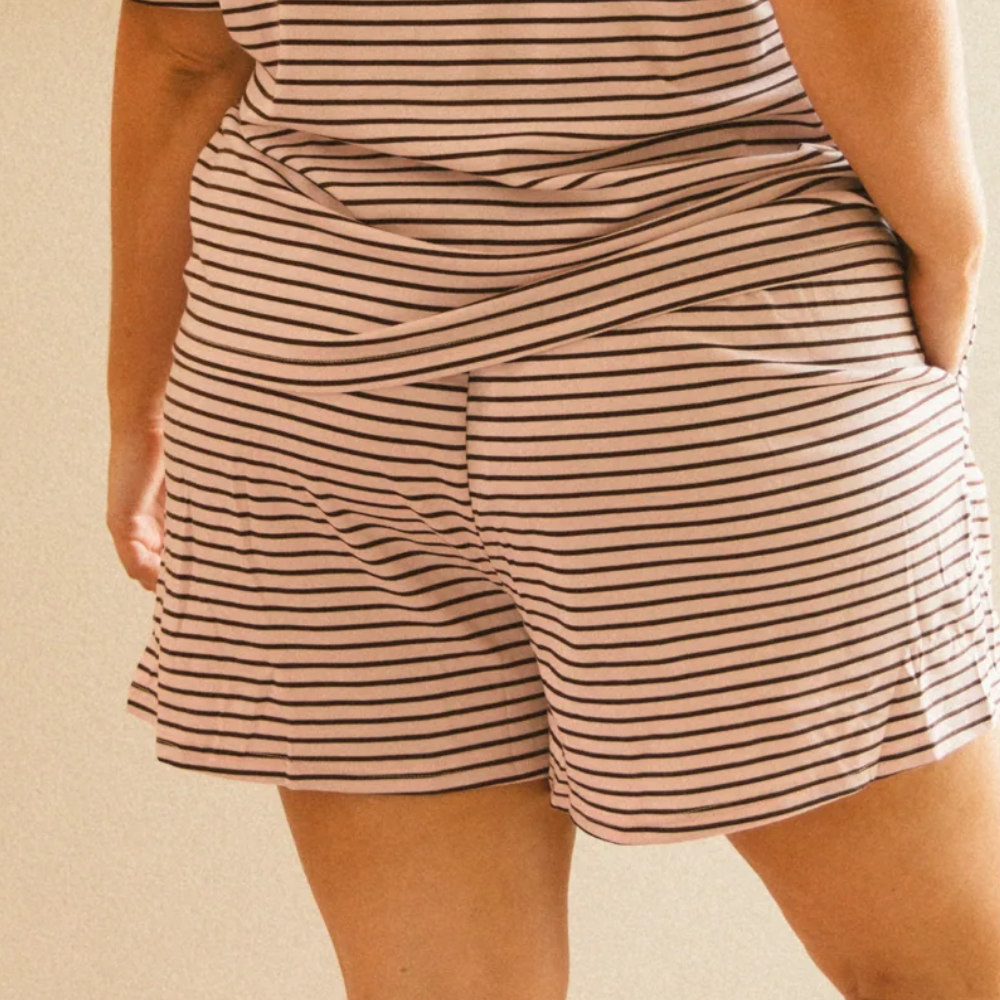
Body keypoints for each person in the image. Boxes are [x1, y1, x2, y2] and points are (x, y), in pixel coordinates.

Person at [107, 0, 1000, 997]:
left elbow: (182, 50)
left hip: (310, 377)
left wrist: (138, 397)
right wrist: (953, 243)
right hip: (709, 370)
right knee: (940, 971)